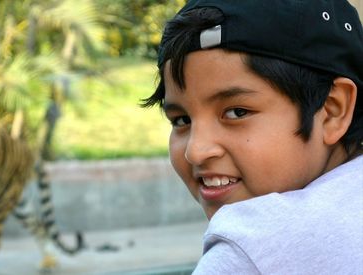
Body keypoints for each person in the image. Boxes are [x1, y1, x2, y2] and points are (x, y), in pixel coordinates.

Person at [141, 1, 363, 274]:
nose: (196, 151)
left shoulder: (252, 247)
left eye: (236, 112)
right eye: (182, 120)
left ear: (331, 110)